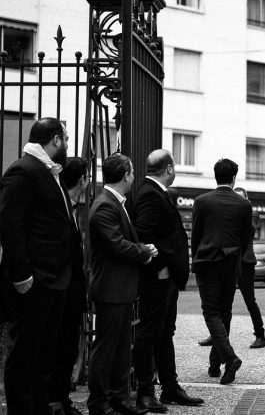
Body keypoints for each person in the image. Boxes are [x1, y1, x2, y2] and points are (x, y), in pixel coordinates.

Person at [0, 118, 78, 415]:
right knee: (25, 356)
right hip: (35, 281)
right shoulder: (24, 170)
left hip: (54, 280)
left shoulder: (47, 171)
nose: (68, 145)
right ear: (55, 140)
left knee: (44, 354)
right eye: (67, 139)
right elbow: (10, 226)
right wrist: (22, 275)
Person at [131, 150, 203, 412]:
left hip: (166, 278)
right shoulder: (151, 194)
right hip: (157, 278)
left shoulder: (155, 191)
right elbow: (143, 234)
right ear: (170, 168)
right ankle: (145, 393)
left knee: (164, 332)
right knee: (150, 332)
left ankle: (170, 387)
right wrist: (161, 268)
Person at [88, 153, 158, 415]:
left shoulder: (116, 202)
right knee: (106, 349)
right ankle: (98, 402)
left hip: (121, 288)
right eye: (131, 172)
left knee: (119, 350)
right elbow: (116, 244)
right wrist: (144, 251)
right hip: (111, 289)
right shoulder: (106, 205)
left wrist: (142, 249)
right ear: (126, 175)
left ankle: (119, 399)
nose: (133, 177)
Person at [191, 158, 253, 385]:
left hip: (207, 262)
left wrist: (196, 258)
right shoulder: (244, 205)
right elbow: (246, 239)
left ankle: (230, 358)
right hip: (231, 261)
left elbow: (196, 235)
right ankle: (215, 365)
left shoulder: (202, 201)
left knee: (211, 312)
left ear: (215, 176)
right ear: (234, 177)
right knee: (224, 313)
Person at [199, 186, 265, 350]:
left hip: (245, 261)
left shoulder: (251, 213)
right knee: (220, 302)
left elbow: (249, 231)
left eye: (241, 198)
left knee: (250, 300)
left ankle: (260, 335)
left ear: (246, 199)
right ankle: (217, 335)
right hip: (228, 261)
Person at [51, 157, 90, 415]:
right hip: (60, 290)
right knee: (59, 349)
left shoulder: (71, 205)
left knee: (66, 349)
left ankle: (61, 399)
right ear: (83, 179)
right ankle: (56, 400)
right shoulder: (60, 205)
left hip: (71, 291)